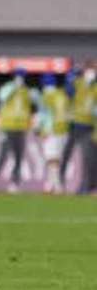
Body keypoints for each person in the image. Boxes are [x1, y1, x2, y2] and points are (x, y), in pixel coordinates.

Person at [0, 69, 38, 193]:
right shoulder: (7, 88)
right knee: (3, 155)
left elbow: (36, 101)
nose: (20, 79)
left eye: (22, 77)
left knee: (18, 157)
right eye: (18, 76)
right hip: (7, 127)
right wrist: (13, 87)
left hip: (21, 128)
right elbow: (1, 97)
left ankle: (14, 183)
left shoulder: (26, 91)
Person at [60, 64, 96, 193]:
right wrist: (71, 77)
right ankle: (59, 182)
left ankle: (85, 187)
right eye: (90, 70)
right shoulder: (78, 83)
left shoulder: (95, 87)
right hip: (74, 125)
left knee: (89, 159)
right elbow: (68, 92)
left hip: (88, 127)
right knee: (65, 155)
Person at [34, 73, 69, 193]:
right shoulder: (62, 94)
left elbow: (43, 114)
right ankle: (50, 185)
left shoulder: (46, 96)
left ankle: (57, 186)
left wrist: (38, 129)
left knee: (51, 159)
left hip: (51, 130)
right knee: (56, 159)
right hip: (63, 129)